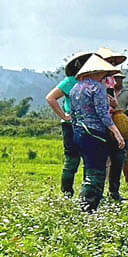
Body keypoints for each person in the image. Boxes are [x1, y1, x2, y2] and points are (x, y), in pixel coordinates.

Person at [67, 55, 125, 212]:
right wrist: (117, 133)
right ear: (97, 71)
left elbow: (72, 114)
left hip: (80, 133)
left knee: (89, 169)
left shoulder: (75, 89)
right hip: (95, 134)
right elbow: (103, 114)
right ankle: (89, 208)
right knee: (96, 174)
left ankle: (85, 205)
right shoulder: (97, 88)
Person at [45, 50, 95, 197]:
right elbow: (51, 98)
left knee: (89, 160)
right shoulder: (70, 81)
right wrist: (64, 116)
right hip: (72, 125)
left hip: (89, 124)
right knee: (72, 160)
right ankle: (67, 193)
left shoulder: (94, 82)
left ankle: (87, 193)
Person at [96, 47, 128, 203]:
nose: (113, 64)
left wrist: (114, 102)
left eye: (114, 62)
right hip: (97, 123)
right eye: (111, 61)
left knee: (118, 157)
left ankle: (114, 192)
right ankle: (95, 193)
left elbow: (113, 100)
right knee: (97, 160)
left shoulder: (110, 80)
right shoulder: (92, 80)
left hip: (111, 121)